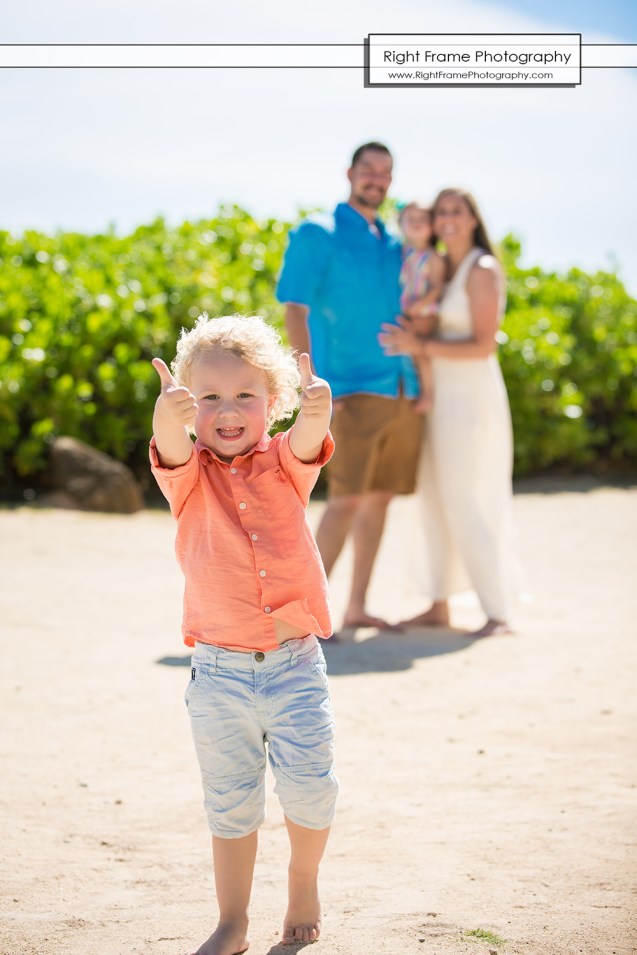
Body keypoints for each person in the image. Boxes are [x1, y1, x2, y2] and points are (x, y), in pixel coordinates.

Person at [150, 313, 339, 955]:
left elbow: (311, 435)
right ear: (188, 404)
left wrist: (318, 407)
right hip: (219, 676)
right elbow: (169, 445)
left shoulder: (286, 465)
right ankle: (232, 922)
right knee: (230, 804)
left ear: (272, 402)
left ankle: (303, 881)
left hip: (293, 665)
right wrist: (164, 415)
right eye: (208, 398)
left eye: (244, 396)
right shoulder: (188, 475)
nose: (227, 411)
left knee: (312, 789)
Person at [276, 142, 422, 631]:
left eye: (385, 172)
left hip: (400, 386)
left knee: (380, 497)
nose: (376, 179)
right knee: (345, 502)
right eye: (368, 170)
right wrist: (307, 379)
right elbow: (294, 306)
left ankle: (356, 607)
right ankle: (301, 617)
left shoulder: (394, 242)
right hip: (349, 389)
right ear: (349, 173)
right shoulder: (317, 232)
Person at [379, 187, 514, 638]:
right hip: (438, 399)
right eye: (442, 212)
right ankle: (439, 604)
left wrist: (420, 345)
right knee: (434, 496)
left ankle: (497, 610)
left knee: (464, 497)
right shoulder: (442, 268)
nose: (448, 219)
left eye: (457, 211)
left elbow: (483, 344)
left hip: (470, 398)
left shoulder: (482, 268)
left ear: (474, 218)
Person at [398, 201, 445, 413]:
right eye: (411, 219)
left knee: (420, 353)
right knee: (407, 351)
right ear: (401, 224)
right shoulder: (401, 251)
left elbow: (436, 287)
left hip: (424, 312)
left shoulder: (433, 256)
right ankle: (413, 389)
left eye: (422, 220)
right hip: (407, 310)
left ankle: (428, 394)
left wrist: (420, 304)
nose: (416, 224)